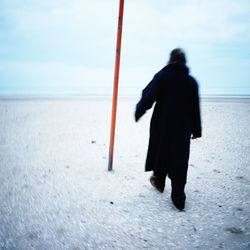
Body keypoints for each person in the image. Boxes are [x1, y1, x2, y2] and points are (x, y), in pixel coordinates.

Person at [135, 48, 202, 210]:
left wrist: (139, 111)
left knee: (161, 153)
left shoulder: (161, 77)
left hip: (162, 126)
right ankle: (179, 199)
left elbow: (148, 96)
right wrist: (196, 130)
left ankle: (159, 181)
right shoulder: (191, 82)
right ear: (184, 62)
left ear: (170, 60)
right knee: (179, 159)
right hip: (182, 128)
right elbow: (195, 108)